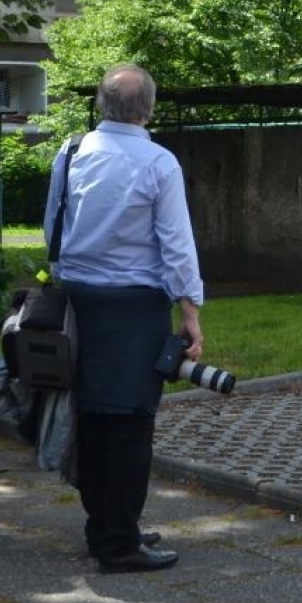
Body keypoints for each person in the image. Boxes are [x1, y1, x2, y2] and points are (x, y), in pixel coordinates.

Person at [45, 64, 205, 573]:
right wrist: (191, 311)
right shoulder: (159, 163)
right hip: (136, 305)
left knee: (92, 418)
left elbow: (53, 224)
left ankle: (104, 527)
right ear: (148, 108)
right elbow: (177, 245)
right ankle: (120, 543)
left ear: (102, 104)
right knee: (133, 422)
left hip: (80, 302)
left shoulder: (70, 153)